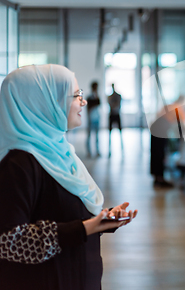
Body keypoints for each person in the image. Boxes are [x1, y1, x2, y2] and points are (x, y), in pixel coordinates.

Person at [0, 64, 138, 290]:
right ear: (44, 102)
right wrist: (86, 228)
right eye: (75, 96)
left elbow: (63, 210)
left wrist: (102, 221)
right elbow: (9, 241)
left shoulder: (61, 152)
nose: (82, 102)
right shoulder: (18, 165)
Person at [150, 95, 185, 188]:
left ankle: (157, 178)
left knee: (156, 153)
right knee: (160, 153)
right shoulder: (179, 108)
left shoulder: (169, 106)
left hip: (155, 126)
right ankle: (160, 179)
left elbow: (158, 115)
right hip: (160, 128)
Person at [107, 83, 123, 157]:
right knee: (109, 132)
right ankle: (109, 149)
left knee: (120, 132)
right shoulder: (110, 97)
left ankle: (122, 149)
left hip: (116, 114)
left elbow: (117, 104)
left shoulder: (118, 96)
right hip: (112, 115)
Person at [86, 81, 101, 157]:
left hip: (97, 118)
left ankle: (97, 151)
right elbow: (88, 108)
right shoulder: (89, 97)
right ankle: (89, 151)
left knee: (97, 136)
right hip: (91, 118)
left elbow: (99, 104)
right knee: (89, 136)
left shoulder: (97, 96)